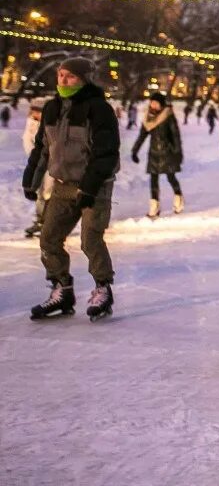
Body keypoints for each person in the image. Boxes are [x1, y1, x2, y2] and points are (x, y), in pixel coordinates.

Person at [23, 57, 120, 321]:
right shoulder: (52, 108)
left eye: (71, 76)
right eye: (61, 75)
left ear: (85, 79)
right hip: (63, 186)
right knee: (49, 239)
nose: (63, 80)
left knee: (90, 240)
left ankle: (103, 288)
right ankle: (62, 289)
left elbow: (106, 153)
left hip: (95, 187)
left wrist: (89, 188)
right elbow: (43, 148)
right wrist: (31, 180)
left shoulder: (99, 109)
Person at [132, 93, 184, 218]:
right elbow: (142, 136)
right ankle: (154, 206)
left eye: (156, 103)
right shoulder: (148, 118)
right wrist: (135, 151)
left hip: (168, 152)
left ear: (161, 104)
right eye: (152, 102)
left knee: (171, 177)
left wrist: (178, 153)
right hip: (154, 153)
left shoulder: (168, 116)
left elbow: (175, 136)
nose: (153, 105)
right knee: (153, 179)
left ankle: (178, 198)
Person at [22, 97, 52, 238]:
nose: (35, 113)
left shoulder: (51, 124)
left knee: (49, 193)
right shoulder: (31, 124)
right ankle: (41, 221)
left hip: (51, 164)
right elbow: (28, 143)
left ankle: (50, 223)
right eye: (33, 110)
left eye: (38, 111)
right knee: (41, 193)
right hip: (38, 163)